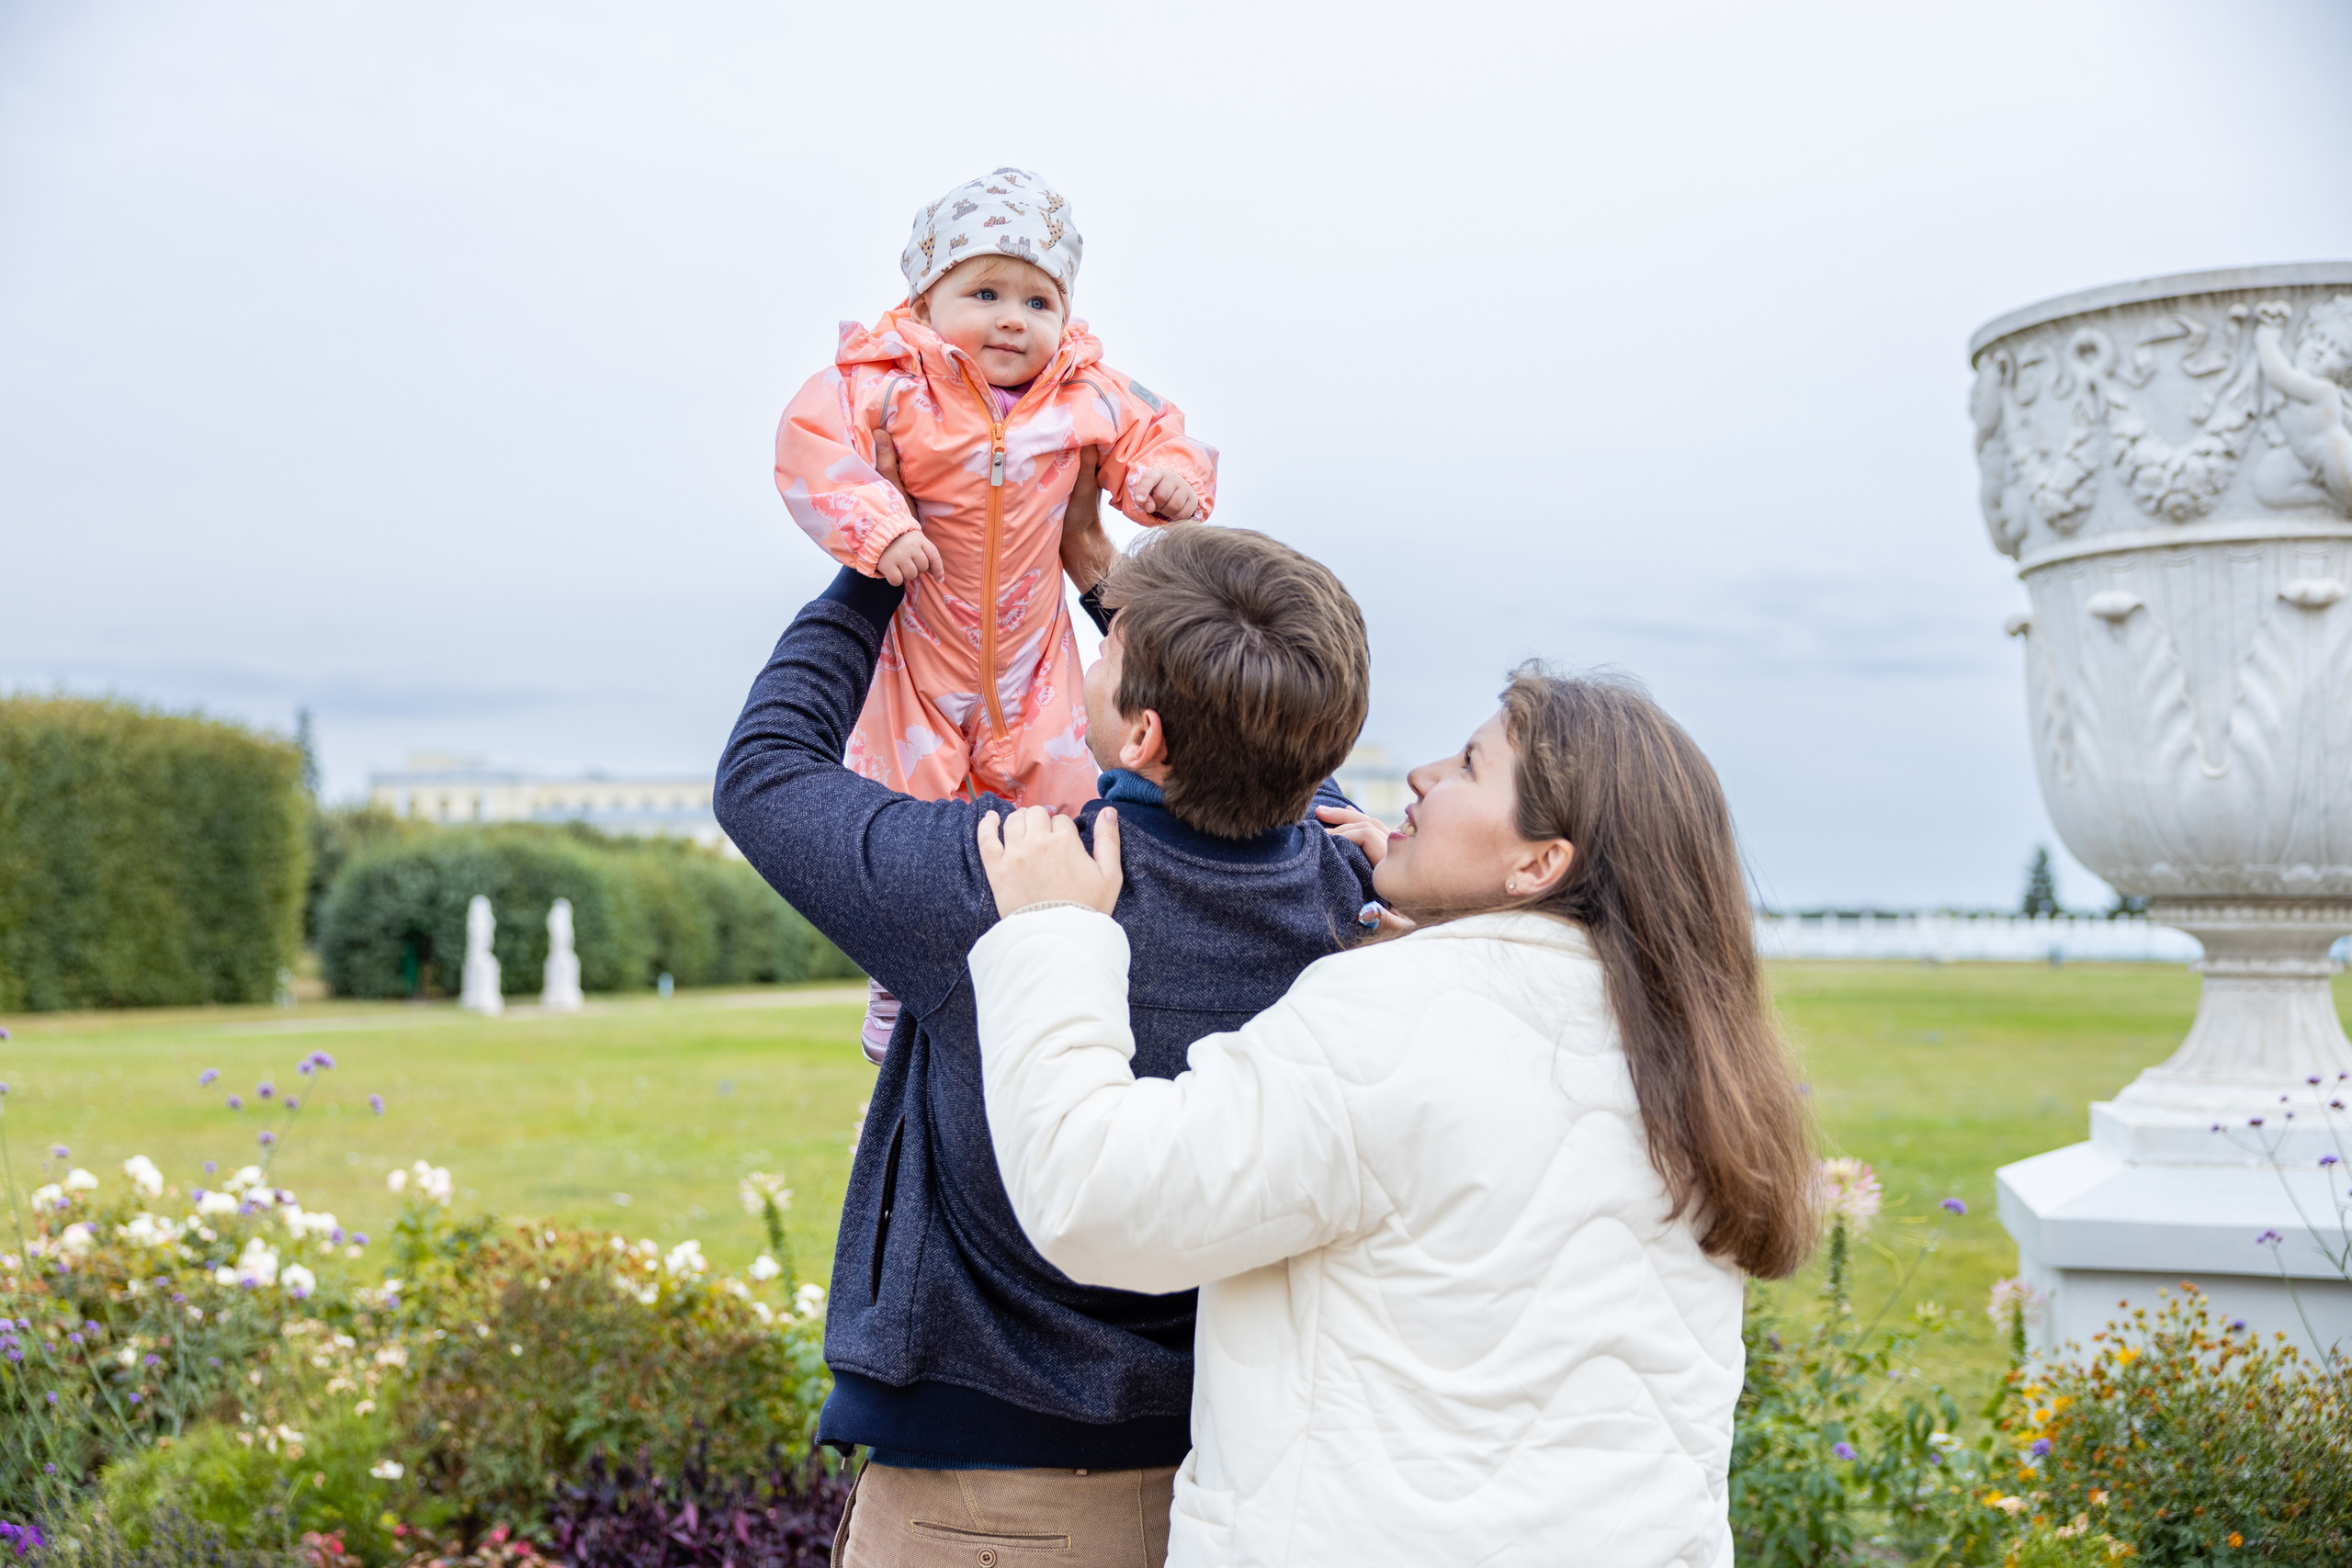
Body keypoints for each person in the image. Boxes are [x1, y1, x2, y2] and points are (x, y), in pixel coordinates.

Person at [966, 669, 1820, 1567]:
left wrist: (1053, 929)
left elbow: (1098, 1196)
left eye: (1467, 765)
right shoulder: (1695, 1062)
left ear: (1538, 863)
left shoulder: (1390, 1013)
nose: (1420, 775)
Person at [712, 524, 1377, 1568]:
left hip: (989, 1508)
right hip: (1234, 1481)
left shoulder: (1001, 887)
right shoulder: (1351, 892)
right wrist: (1089, 561)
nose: (1091, 660)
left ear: (1146, 737)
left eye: (1105, 659)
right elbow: (1274, 737)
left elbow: (765, 772)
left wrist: (870, 569)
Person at [772, 165, 1216, 1062]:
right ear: (924, 301)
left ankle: (1067, 978)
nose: (1014, 317)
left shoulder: (1080, 392)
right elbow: (813, 449)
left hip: (1033, 659)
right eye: (984, 292)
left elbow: (1151, 433)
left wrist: (1165, 485)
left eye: (1038, 299)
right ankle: (898, 979)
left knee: (1065, 818)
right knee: (904, 822)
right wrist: (877, 524)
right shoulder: (885, 384)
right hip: (919, 659)